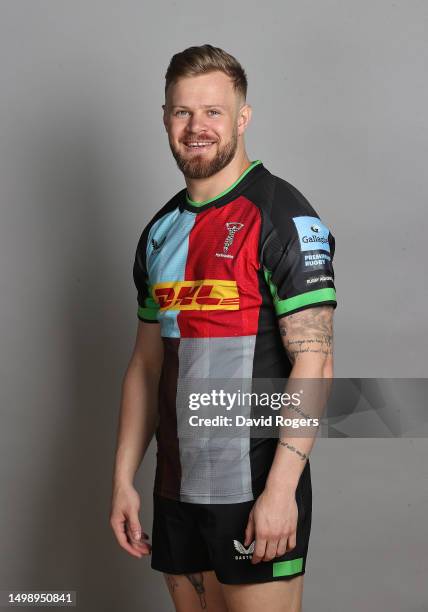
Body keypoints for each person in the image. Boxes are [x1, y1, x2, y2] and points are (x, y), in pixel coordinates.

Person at [110, 44, 337, 612]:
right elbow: (145, 364)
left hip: (255, 487)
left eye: (213, 112)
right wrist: (122, 478)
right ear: (165, 118)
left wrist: (282, 489)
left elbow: (316, 359)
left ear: (242, 117)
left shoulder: (281, 214)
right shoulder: (159, 231)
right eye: (183, 112)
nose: (196, 128)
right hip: (176, 489)